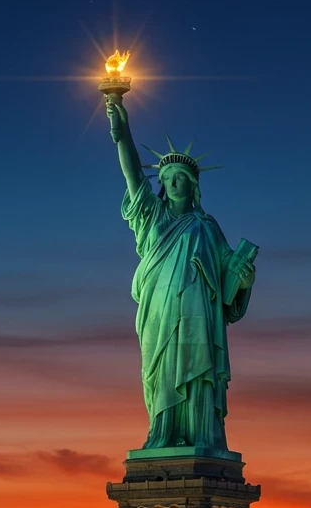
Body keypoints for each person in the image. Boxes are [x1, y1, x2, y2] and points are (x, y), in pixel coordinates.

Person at [106, 95, 257, 451]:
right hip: (159, 312)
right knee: (161, 373)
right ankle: (162, 435)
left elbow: (226, 286)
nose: (173, 184)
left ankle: (203, 436)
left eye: (181, 178)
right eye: (168, 177)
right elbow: (131, 173)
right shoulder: (152, 217)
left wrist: (244, 283)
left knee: (199, 372)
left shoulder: (207, 226)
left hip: (198, 315)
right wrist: (121, 131)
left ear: (194, 185)